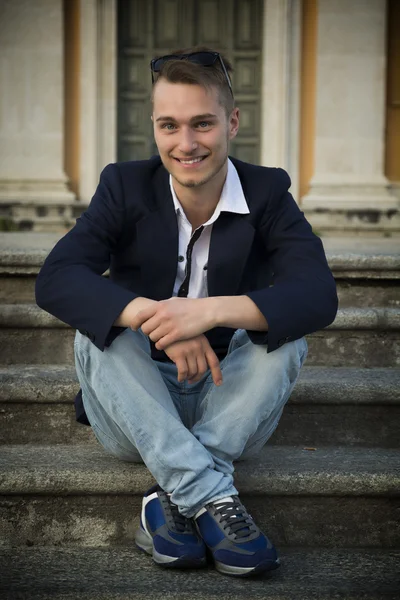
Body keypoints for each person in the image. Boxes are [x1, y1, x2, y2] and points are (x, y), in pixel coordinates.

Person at [35, 46, 338, 578]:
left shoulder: (267, 192)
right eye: (169, 126)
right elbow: (57, 278)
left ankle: (172, 502)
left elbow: (318, 294)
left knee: (286, 336)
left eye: (203, 123)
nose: (186, 143)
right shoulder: (124, 185)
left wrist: (206, 313)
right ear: (153, 127)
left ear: (232, 122)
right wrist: (157, 317)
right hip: (134, 409)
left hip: (228, 407)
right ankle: (213, 495)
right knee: (98, 333)